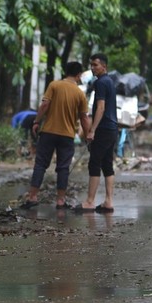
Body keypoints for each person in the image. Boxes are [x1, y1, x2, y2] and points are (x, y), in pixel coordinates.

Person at [20, 61, 91, 210]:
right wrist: (88, 135)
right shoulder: (79, 93)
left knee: (40, 164)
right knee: (63, 168)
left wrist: (36, 121)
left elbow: (44, 105)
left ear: (65, 72)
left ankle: (32, 197)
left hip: (48, 132)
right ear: (78, 75)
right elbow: (84, 117)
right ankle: (60, 201)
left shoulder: (54, 85)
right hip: (67, 135)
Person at [76, 53, 118, 213]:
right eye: (91, 65)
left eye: (95, 65)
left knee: (94, 163)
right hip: (112, 128)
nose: (93, 68)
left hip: (103, 129)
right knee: (107, 164)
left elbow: (100, 107)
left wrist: (92, 130)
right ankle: (108, 201)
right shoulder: (110, 82)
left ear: (104, 66)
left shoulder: (101, 83)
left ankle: (89, 201)